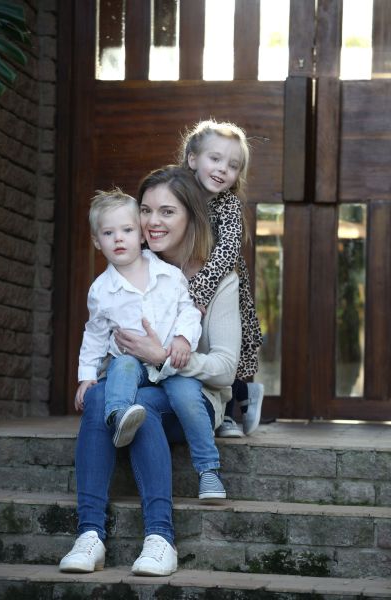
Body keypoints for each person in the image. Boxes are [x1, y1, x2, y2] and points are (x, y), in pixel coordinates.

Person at [59, 166, 241, 576]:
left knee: (130, 399)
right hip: (134, 381)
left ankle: (160, 537)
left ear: (190, 216)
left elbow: (225, 370)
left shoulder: (212, 278)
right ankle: (89, 535)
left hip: (190, 395)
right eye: (146, 210)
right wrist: (89, 375)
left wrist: (162, 355)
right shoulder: (120, 274)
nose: (153, 221)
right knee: (101, 395)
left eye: (167, 212)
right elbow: (98, 333)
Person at [76, 188, 226, 500]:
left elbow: (188, 310)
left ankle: (208, 471)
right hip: (132, 366)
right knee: (122, 364)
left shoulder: (169, 276)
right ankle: (119, 417)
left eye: (127, 230)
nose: (119, 239)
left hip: (173, 362)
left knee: (187, 397)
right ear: (96, 242)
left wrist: (184, 339)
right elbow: (94, 335)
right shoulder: (101, 290)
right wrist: (86, 376)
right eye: (108, 233)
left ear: (142, 236)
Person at [179, 119, 264, 438]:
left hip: (222, 284)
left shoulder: (228, 204)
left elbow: (226, 250)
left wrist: (199, 291)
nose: (222, 170)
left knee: (226, 344)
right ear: (192, 159)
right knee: (191, 341)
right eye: (214, 159)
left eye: (232, 165)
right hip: (182, 282)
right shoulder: (176, 194)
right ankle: (237, 398)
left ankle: (229, 412)